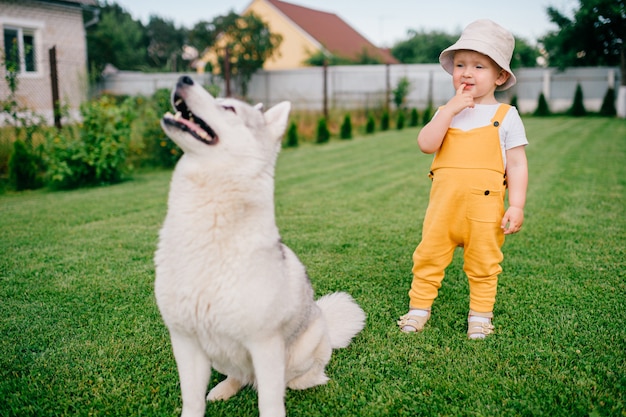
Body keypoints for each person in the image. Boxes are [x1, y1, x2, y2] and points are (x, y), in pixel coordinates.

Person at [398, 19, 528, 339]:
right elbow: (426, 144)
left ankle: (480, 316)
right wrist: (449, 111)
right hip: (443, 210)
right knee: (427, 256)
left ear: (499, 76)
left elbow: (517, 163)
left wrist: (518, 205)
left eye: (479, 66)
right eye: (460, 65)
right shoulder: (447, 111)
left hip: (484, 212)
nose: (467, 72)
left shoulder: (506, 116)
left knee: (484, 263)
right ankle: (418, 309)